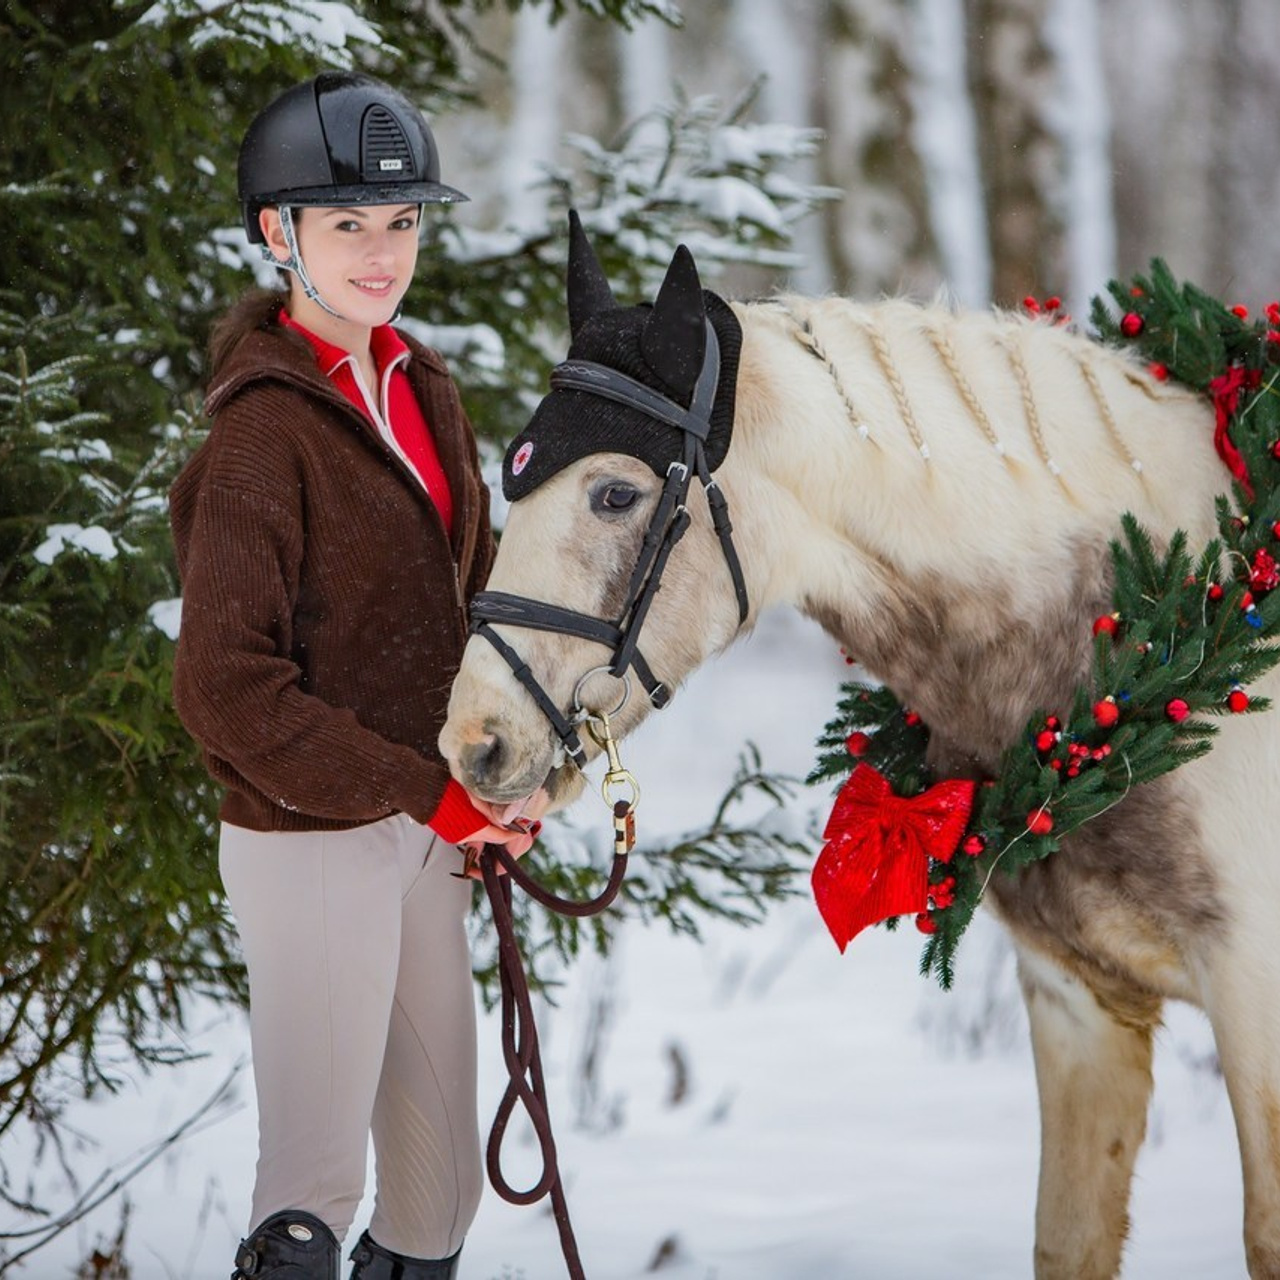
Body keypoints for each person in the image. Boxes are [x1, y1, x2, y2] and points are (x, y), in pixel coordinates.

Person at [170, 71, 545, 1280]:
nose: (381, 254)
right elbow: (225, 686)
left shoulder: (423, 388)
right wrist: (418, 789)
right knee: (310, 1198)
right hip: (308, 838)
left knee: (436, 1206)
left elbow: (474, 596)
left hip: (428, 830)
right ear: (278, 235)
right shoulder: (257, 436)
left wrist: (507, 778)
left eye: (400, 224)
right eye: (347, 226)